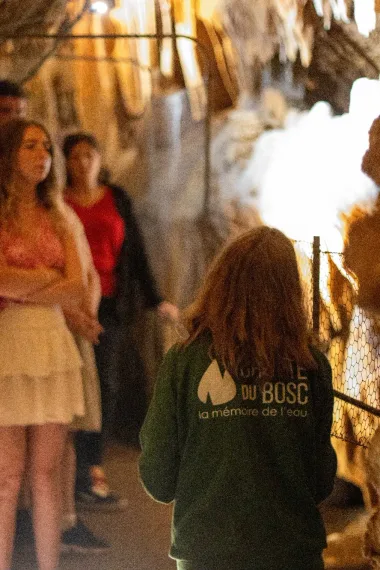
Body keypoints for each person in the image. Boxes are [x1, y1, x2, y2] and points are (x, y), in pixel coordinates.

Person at [139, 226, 337, 570]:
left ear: (220, 282)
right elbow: (320, 480)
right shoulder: (312, 365)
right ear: (291, 292)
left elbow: (158, 477)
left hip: (206, 552)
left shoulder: (184, 362)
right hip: (292, 552)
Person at [63, 132, 179, 509]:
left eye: (89, 155)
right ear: (65, 162)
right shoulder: (57, 202)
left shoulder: (116, 198)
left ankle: (92, 465)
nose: (83, 163)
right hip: (67, 304)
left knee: (105, 383)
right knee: (70, 384)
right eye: (75, 156)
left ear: (100, 159)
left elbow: (135, 249)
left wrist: (155, 297)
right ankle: (68, 468)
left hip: (111, 304)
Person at [0, 119, 85, 570]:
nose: (42, 154)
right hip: (9, 346)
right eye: (30, 146)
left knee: (46, 474)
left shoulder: (57, 215)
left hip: (52, 345)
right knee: (7, 477)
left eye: (46, 147)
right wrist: (45, 278)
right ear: (9, 154)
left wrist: (22, 286)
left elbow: (77, 288)